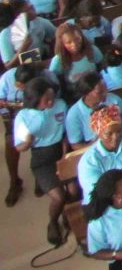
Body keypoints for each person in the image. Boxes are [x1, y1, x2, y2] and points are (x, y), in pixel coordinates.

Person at [12, 76, 67, 245]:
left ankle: (72, 216)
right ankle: (52, 222)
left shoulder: (60, 105)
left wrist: (65, 156)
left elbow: (65, 133)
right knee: (59, 197)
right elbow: (19, 147)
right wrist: (27, 142)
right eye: (46, 100)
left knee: (73, 190)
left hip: (61, 150)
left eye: (52, 97)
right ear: (35, 100)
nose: (51, 102)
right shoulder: (24, 116)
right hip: (42, 159)